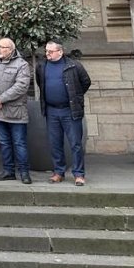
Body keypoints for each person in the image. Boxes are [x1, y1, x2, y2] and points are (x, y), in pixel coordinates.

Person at [37, 40, 92, 186]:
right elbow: (40, 83)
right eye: (46, 51)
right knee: (55, 143)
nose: (47, 54)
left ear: (60, 52)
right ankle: (58, 172)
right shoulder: (42, 66)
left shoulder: (73, 65)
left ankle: (79, 174)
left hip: (70, 110)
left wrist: (76, 97)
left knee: (75, 143)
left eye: (50, 51)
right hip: (52, 110)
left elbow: (86, 82)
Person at [0, 37, 33, 184]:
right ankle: (8, 171)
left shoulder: (21, 64)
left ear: (11, 49)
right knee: (4, 143)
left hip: (15, 112)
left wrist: (1, 99)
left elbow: (21, 86)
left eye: (2, 47)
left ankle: (24, 172)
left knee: (19, 143)